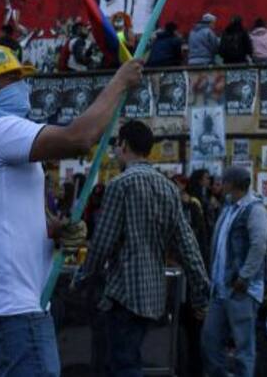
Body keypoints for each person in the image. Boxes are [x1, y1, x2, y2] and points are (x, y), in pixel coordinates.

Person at [0, 43, 142, 377]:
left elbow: (0, 219)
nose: (25, 86)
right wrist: (120, 82)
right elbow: (78, 138)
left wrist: (55, 230)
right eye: (12, 79)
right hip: (14, 313)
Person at [78, 120, 210, 376]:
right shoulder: (168, 188)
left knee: (123, 364)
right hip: (153, 294)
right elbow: (187, 244)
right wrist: (200, 291)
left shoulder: (120, 185)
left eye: (117, 145)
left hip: (124, 292)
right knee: (131, 359)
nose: (115, 151)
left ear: (124, 145)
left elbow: (103, 242)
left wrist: (83, 276)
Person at [202, 166, 267, 377]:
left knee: (243, 346)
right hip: (220, 288)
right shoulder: (229, 207)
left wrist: (244, 276)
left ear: (232, 184)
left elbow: (259, 245)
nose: (221, 184)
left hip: (240, 289)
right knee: (209, 340)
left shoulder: (254, 209)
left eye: (224, 181)